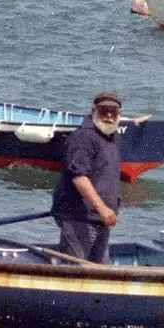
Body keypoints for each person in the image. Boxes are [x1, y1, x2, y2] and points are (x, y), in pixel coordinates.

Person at [51, 91, 123, 263]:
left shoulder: (113, 138)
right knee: (77, 272)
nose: (109, 115)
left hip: (102, 220)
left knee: (101, 274)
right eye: (104, 110)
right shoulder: (84, 137)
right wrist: (102, 208)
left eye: (114, 111)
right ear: (94, 109)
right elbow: (79, 177)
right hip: (79, 218)